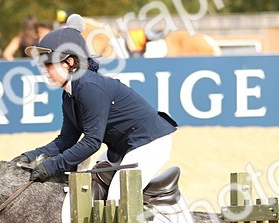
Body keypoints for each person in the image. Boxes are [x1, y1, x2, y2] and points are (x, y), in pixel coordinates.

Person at [13, 23, 177, 199]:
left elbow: (92, 142)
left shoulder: (89, 87)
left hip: (149, 144)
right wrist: (27, 157)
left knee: (116, 197)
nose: (44, 70)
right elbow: (66, 139)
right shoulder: (69, 94)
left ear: (69, 62)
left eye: (48, 62)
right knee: (88, 186)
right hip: (123, 148)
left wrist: (50, 167)